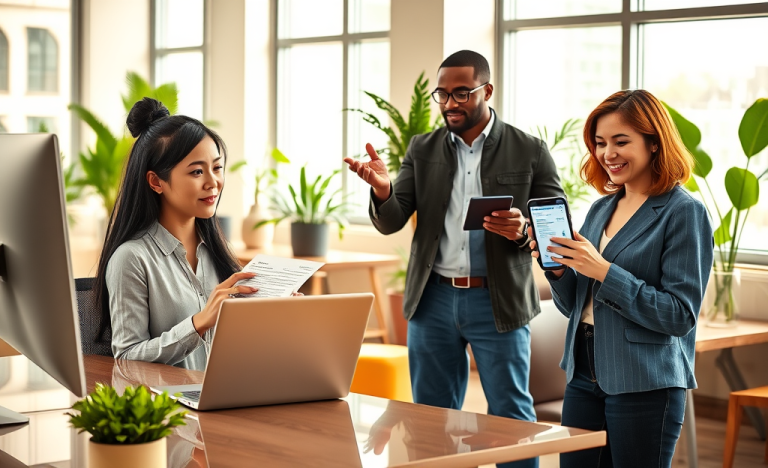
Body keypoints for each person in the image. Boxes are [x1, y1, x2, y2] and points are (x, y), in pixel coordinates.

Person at [344, 50, 564, 468]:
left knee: (511, 418)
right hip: (434, 300)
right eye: (441, 94)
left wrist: (522, 231)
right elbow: (392, 221)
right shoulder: (422, 148)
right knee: (430, 416)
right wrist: (383, 190)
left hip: (498, 302)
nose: (450, 103)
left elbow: (554, 228)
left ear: (487, 90)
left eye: (461, 93)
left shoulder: (529, 149)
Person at [529, 89, 714, 467]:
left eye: (620, 141)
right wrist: (561, 269)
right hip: (584, 371)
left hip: (644, 379)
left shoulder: (684, 212)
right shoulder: (600, 209)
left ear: (654, 143)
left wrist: (604, 271)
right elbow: (574, 305)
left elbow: (679, 315)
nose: (607, 153)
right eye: (599, 143)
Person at [94, 97, 258, 371]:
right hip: (175, 409)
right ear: (156, 181)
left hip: (230, 398)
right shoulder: (131, 259)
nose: (213, 182)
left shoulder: (217, 250)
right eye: (196, 171)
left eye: (217, 168)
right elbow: (126, 358)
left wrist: (276, 315)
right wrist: (199, 322)